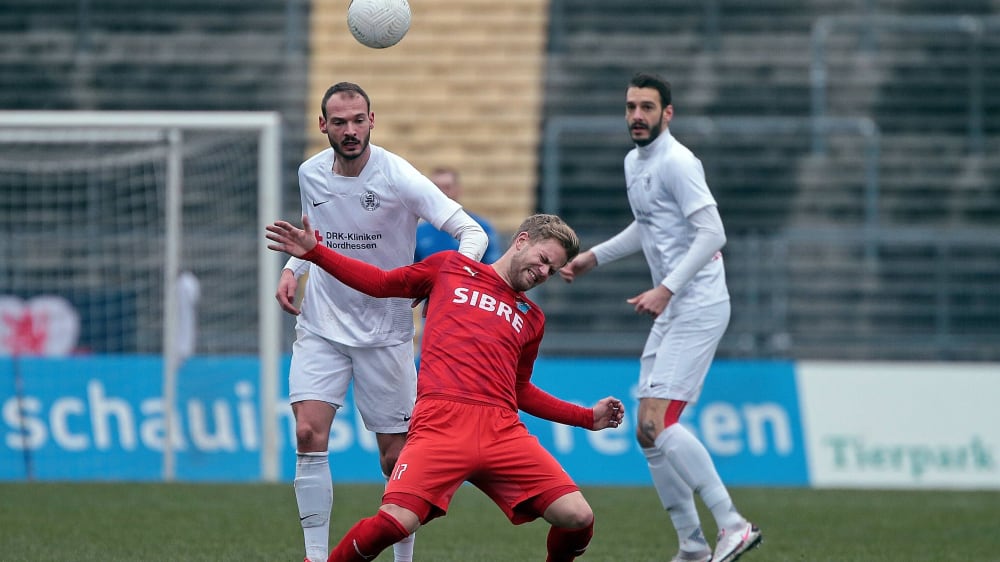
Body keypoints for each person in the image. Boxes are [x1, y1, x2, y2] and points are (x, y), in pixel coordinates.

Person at [267, 213, 625, 562]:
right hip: (441, 424)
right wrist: (316, 253)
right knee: (394, 522)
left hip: (502, 431)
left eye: (552, 269)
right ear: (522, 241)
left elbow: (520, 389)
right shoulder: (450, 268)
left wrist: (586, 417)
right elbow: (379, 282)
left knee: (578, 518)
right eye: (544, 259)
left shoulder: (532, 317)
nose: (544, 272)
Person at [276, 81, 489, 562]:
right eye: (339, 122)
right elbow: (316, 230)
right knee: (308, 434)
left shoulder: (398, 177)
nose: (349, 130)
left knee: (395, 458)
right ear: (323, 125)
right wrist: (293, 269)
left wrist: (450, 287)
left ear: (373, 121)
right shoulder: (310, 172)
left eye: (358, 120)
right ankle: (314, 556)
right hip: (321, 324)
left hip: (385, 332)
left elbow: (469, 232)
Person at [558, 72, 762, 562]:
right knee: (646, 432)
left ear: (667, 114)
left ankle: (733, 524)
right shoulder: (635, 162)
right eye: (630, 106)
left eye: (647, 107)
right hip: (673, 305)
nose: (636, 116)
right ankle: (691, 546)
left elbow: (712, 233)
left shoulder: (678, 162)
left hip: (697, 303)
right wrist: (595, 257)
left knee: (658, 420)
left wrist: (666, 289)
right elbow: (648, 226)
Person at [414, 167, 503, 264]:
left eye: (447, 187)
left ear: (458, 190)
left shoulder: (480, 227)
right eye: (436, 188)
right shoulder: (419, 231)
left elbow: (492, 266)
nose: (441, 193)